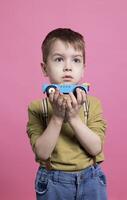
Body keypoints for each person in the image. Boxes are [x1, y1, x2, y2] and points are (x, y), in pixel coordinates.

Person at [26, 28, 107, 200]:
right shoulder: (37, 107)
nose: (68, 67)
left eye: (76, 60)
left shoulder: (92, 104)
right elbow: (42, 153)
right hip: (53, 182)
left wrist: (72, 117)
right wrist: (56, 117)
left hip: (91, 180)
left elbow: (95, 148)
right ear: (45, 68)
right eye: (59, 59)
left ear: (83, 68)